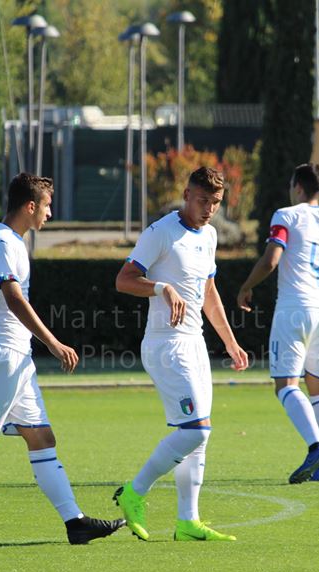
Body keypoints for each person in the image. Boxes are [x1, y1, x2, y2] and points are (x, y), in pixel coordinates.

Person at [0, 173, 124, 546]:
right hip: (4, 356)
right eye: (48, 205)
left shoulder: (10, 241)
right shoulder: (1, 240)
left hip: (14, 359)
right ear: (30, 206)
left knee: (41, 437)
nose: (50, 213)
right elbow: (12, 297)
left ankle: (75, 523)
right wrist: (52, 342)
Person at [113, 166, 249, 542]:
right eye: (203, 200)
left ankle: (188, 521)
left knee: (199, 435)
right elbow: (123, 280)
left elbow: (208, 291)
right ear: (187, 194)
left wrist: (230, 341)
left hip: (194, 343)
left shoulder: (208, 235)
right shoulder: (160, 233)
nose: (209, 210)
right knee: (195, 429)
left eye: (216, 203)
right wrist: (161, 289)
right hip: (165, 345)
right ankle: (133, 492)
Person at [237, 163, 319, 484]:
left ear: (297, 186)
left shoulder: (287, 215)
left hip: (294, 309)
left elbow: (271, 259)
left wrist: (245, 286)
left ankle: (317, 448)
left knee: (285, 386)